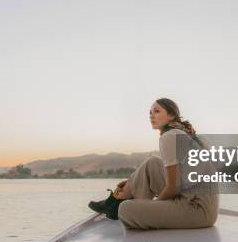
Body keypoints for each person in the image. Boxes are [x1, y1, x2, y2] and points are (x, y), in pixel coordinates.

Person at [88, 98, 219, 229]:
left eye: (156, 111)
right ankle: (116, 201)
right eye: (150, 112)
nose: (151, 115)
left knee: (125, 209)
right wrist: (132, 182)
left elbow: (174, 188)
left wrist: (154, 205)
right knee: (152, 162)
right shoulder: (183, 134)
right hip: (200, 204)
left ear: (172, 115)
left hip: (196, 210)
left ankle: (119, 203)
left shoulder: (168, 137)